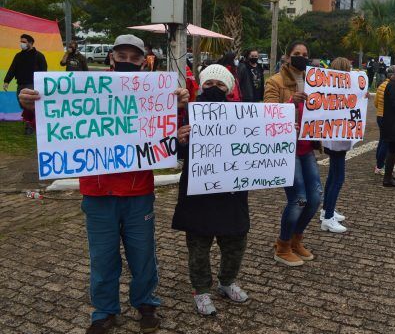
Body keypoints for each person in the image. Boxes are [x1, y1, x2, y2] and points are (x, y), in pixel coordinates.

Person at [18, 34, 190, 334]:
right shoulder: (84, 90)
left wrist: (179, 106)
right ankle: (104, 311)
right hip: (97, 194)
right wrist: (32, 107)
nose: (127, 61)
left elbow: (170, 134)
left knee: (143, 254)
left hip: (138, 194)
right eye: (121, 55)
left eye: (134, 57)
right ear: (111, 57)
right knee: (102, 257)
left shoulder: (157, 92)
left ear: (144, 60)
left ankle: (146, 303)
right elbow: (51, 126)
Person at [173, 64, 250, 316]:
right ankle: (201, 290)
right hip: (198, 192)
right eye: (209, 84)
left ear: (228, 88)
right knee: (198, 245)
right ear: (201, 85)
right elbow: (174, 152)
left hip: (232, 192)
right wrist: (179, 139)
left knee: (236, 242)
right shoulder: (186, 113)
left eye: (220, 84)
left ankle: (227, 282)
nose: (214, 88)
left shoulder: (244, 115)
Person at [264, 41, 322, 267]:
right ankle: (283, 245)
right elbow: (268, 113)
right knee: (298, 199)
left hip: (307, 148)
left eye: (305, 54)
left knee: (315, 196)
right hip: (287, 150)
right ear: (287, 57)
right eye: (296, 54)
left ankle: (296, 239)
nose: (301, 57)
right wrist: (290, 103)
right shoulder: (275, 82)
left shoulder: (315, 82)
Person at [320, 57, 354, 234]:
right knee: (338, 178)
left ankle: (327, 210)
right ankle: (327, 218)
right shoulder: (342, 90)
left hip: (332, 138)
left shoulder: (327, 87)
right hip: (337, 139)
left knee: (333, 175)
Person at [3, 34, 47, 134]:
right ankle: (33, 122)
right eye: (21, 42)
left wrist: (42, 83)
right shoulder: (18, 56)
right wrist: (6, 81)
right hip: (21, 84)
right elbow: (12, 68)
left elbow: (44, 71)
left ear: (30, 43)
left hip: (32, 84)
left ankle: (30, 126)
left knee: (29, 105)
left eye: (24, 42)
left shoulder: (39, 56)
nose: (21, 44)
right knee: (22, 105)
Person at [374, 67, 394, 175]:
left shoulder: (381, 85)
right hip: (387, 117)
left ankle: (378, 163)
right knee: (385, 142)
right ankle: (380, 166)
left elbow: (376, 103)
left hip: (379, 116)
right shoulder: (391, 86)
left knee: (382, 140)